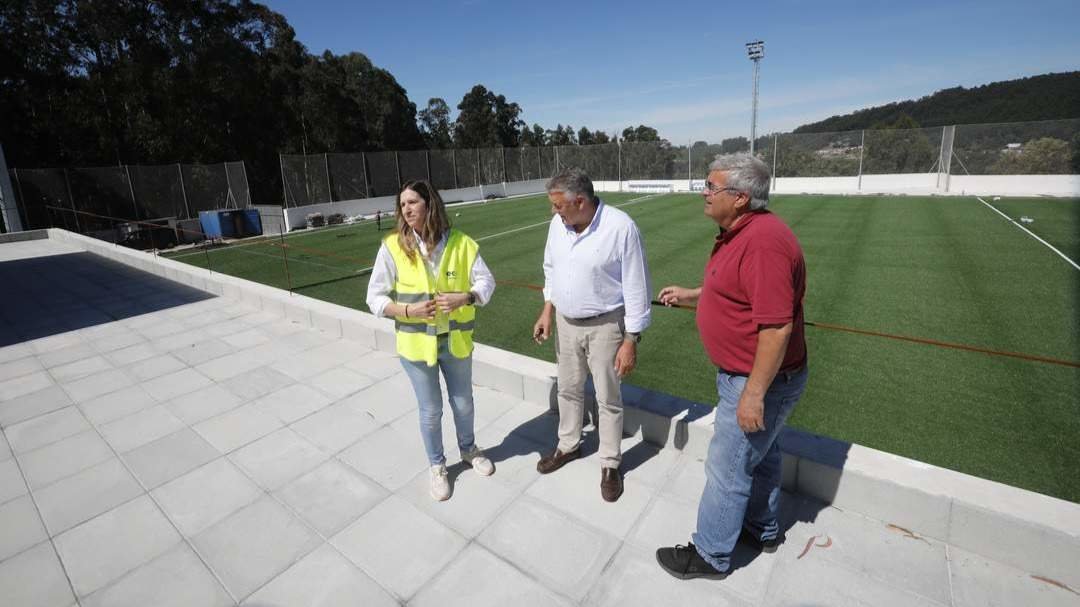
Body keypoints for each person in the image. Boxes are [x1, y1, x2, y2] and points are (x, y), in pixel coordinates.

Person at [654, 154, 809, 580]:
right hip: (752, 377)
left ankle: (710, 554)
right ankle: (763, 529)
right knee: (763, 455)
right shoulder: (741, 232)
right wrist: (692, 295)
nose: (703, 193)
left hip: (757, 381)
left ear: (740, 198)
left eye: (711, 187)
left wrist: (753, 394)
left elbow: (776, 328)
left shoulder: (763, 243)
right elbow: (734, 289)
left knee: (728, 467)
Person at [365, 180, 496, 501]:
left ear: (430, 204)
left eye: (412, 202)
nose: (406, 209)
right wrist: (408, 309)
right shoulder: (393, 246)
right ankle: (437, 466)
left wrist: (465, 297)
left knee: (463, 403)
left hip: (455, 341)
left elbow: (487, 282)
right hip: (416, 346)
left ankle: (469, 449)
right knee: (431, 409)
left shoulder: (462, 243)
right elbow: (374, 298)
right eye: (403, 205)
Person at [531, 167, 652, 502]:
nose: (553, 212)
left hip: (606, 327)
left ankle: (610, 463)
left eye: (558, 205)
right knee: (568, 390)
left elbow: (637, 285)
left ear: (580, 201)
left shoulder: (620, 227)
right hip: (567, 325)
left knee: (607, 398)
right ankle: (568, 446)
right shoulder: (559, 225)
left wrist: (631, 339)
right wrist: (547, 308)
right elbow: (550, 268)